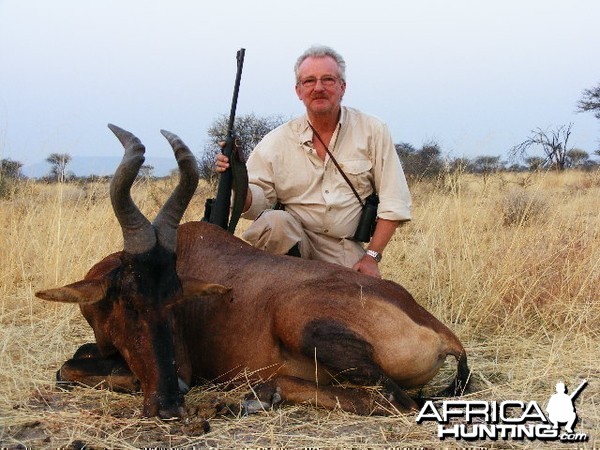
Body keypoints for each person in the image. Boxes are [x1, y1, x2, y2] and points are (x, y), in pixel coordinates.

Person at [216, 45, 411, 278]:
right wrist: (237, 178)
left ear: (342, 87)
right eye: (309, 81)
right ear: (298, 90)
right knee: (275, 222)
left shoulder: (373, 130)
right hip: (291, 246)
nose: (318, 88)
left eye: (328, 79)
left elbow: (394, 201)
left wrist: (372, 257)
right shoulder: (275, 141)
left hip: (344, 250)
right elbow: (255, 204)